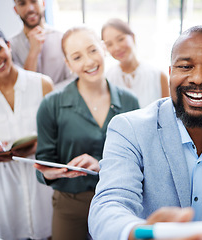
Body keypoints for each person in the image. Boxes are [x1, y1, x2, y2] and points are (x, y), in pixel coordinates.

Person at [88, 25, 202, 240]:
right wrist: (144, 233)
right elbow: (108, 206)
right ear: (171, 74)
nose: (198, 78)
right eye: (185, 66)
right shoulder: (129, 130)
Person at [33, 25, 140, 240]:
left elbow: (138, 159)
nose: (89, 62)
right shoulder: (51, 105)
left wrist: (102, 163)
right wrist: (50, 172)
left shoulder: (130, 101)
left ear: (103, 48)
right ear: (68, 64)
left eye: (92, 50)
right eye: (77, 57)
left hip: (119, 202)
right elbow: (42, 163)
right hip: (70, 203)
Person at [0, 24, 54, 240]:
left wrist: (35, 145)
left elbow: (55, 134)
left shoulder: (42, 83)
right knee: (8, 232)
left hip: (40, 172)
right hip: (2, 179)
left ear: (8, 45)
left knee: (50, 230)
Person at [101, 18, 170, 107]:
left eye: (120, 39)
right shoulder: (107, 78)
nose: (116, 48)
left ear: (132, 37)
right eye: (109, 44)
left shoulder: (158, 76)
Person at [10, 0, 72, 89]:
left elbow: (73, 79)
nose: (30, 8)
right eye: (22, 3)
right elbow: (22, 87)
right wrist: (33, 52)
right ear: (16, 10)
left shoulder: (62, 38)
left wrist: (48, 95)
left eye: (34, 1)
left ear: (43, 4)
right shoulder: (11, 47)